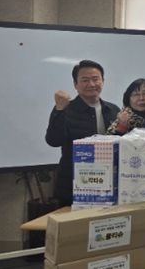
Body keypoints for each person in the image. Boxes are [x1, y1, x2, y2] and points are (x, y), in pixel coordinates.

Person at [45, 60, 120, 206]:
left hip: (108, 183)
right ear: (75, 84)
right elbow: (53, 141)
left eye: (95, 79)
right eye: (85, 80)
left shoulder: (113, 109)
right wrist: (59, 110)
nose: (91, 84)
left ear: (103, 81)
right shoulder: (65, 109)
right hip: (73, 185)